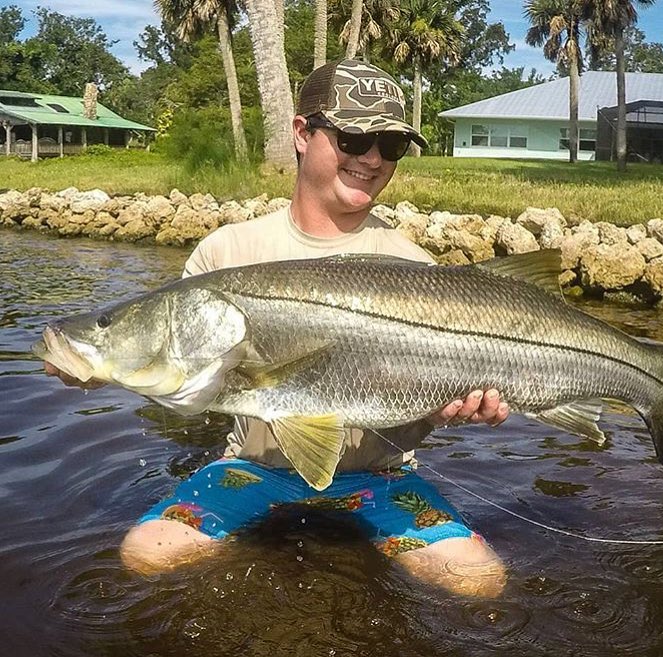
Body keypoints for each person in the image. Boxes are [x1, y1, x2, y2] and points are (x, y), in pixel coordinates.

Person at [49, 60, 510, 598]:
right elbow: (184, 388)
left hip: (380, 477)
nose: (370, 158)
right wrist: (104, 366)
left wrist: (454, 411)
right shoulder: (225, 254)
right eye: (353, 136)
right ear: (300, 133)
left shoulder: (416, 268)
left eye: (390, 145)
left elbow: (416, 417)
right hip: (253, 469)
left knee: (480, 582)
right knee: (148, 555)